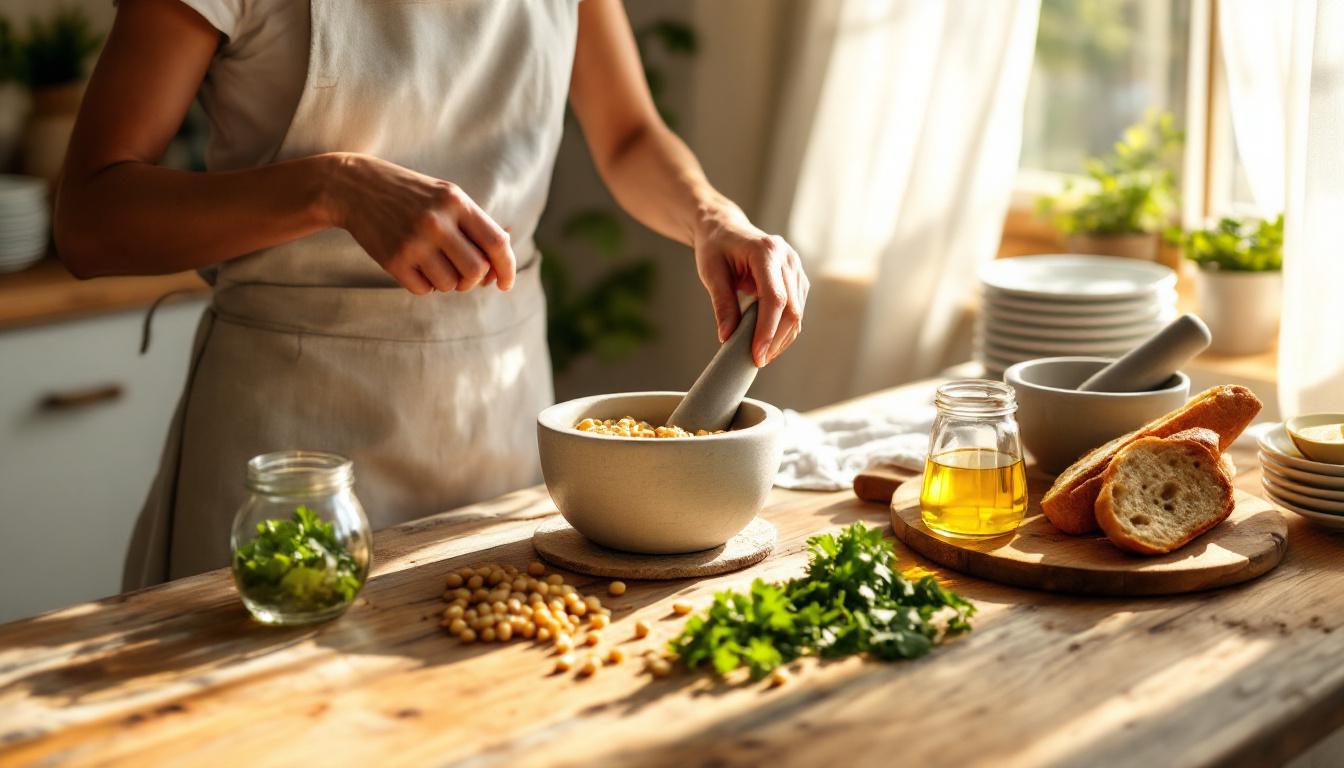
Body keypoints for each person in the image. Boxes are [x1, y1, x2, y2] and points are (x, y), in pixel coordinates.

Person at [54, 0, 809, 587]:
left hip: (502, 429)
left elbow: (627, 135)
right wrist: (332, 187)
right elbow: (90, 220)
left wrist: (714, 218)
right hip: (290, 439)